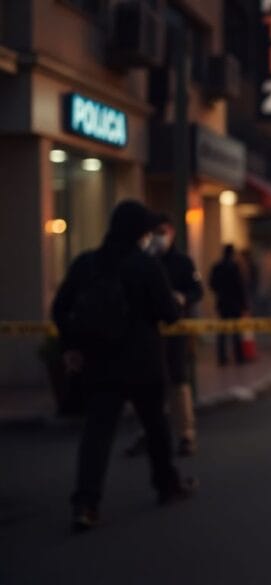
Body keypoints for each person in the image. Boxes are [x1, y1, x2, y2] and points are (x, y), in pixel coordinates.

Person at [51, 200, 196, 532]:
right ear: (140, 233)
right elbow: (170, 315)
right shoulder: (145, 266)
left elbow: (61, 308)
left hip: (100, 365)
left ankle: (86, 504)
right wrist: (172, 302)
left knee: (96, 436)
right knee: (157, 429)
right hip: (144, 364)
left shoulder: (87, 264)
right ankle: (166, 485)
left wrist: (71, 346)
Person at [124, 214, 204, 457]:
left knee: (178, 380)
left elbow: (197, 290)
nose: (158, 237)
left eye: (161, 231)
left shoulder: (182, 263)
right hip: (148, 333)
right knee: (149, 384)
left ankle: (185, 435)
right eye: (153, 231)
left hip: (175, 330)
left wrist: (183, 298)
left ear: (170, 232)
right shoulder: (144, 260)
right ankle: (149, 433)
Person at [209, 244, 248, 366]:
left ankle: (223, 358)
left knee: (223, 332)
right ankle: (238, 356)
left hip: (223, 302)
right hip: (233, 303)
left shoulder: (217, 267)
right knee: (235, 331)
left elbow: (212, 284)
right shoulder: (234, 267)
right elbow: (240, 286)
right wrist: (244, 304)